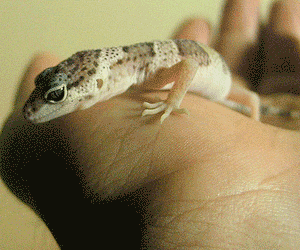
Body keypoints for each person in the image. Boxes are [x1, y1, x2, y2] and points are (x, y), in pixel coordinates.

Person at [1, 0, 300, 248]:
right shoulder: (129, 76)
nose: (37, 107)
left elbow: (189, 64)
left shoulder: (142, 74)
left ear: (99, 80)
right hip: (217, 83)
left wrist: (173, 101)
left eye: (56, 96)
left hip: (218, 75)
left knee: (252, 101)